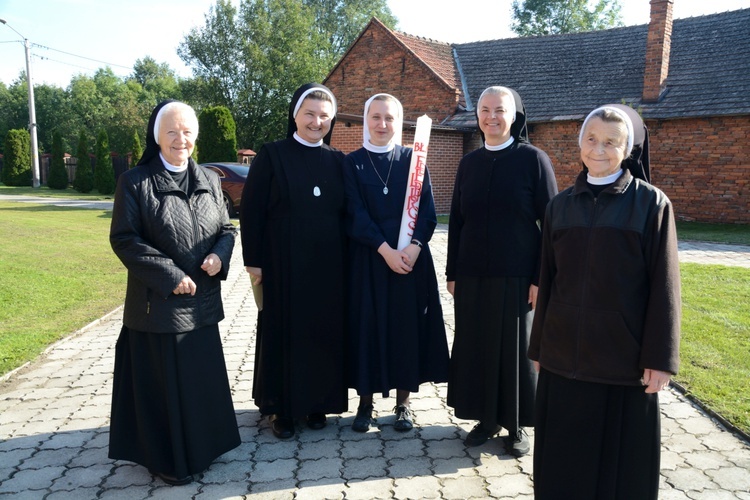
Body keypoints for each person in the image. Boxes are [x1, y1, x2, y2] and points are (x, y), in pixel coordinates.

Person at [528, 105, 681, 499]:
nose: (600, 148)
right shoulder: (559, 206)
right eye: (592, 139)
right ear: (580, 144)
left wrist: (661, 359)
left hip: (621, 362)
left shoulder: (652, 205)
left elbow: (665, 287)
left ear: (627, 149)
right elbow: (548, 280)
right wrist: (539, 345)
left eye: (611, 142)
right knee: (563, 470)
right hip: (563, 360)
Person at [109, 100, 240, 486]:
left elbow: (227, 229)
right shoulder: (135, 182)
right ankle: (166, 459)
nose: (180, 140)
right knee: (165, 388)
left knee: (199, 382)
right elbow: (125, 239)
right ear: (157, 137)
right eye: (172, 132)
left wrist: (219, 255)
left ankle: (204, 448)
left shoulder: (211, 180)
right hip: (159, 306)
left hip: (202, 305)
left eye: (186, 132)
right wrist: (169, 275)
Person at [446, 86, 557, 456]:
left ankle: (517, 425)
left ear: (515, 116)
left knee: (514, 352)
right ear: (477, 115)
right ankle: (486, 418)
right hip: (473, 274)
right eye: (485, 109)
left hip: (517, 275)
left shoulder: (533, 159)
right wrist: (452, 272)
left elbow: (552, 225)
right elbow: (458, 222)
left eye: (500, 110)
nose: (491, 117)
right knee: (478, 347)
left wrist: (541, 278)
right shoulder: (469, 163)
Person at [240, 83, 347, 439]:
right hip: (282, 262)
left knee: (321, 332)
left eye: (324, 117)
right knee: (283, 332)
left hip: (327, 264)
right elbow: (251, 210)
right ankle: (279, 409)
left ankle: (317, 403)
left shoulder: (337, 160)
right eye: (310, 114)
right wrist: (253, 260)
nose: (316, 122)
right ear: (295, 115)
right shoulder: (272, 154)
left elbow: (345, 213)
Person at [344, 93, 449, 432]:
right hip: (371, 259)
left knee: (406, 329)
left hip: (410, 260)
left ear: (399, 122)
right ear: (366, 120)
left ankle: (404, 404)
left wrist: (415, 246)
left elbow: (428, 211)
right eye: (375, 117)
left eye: (389, 118)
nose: (382, 124)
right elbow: (354, 213)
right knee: (368, 327)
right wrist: (385, 250)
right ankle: (366, 403)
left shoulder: (413, 160)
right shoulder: (352, 162)